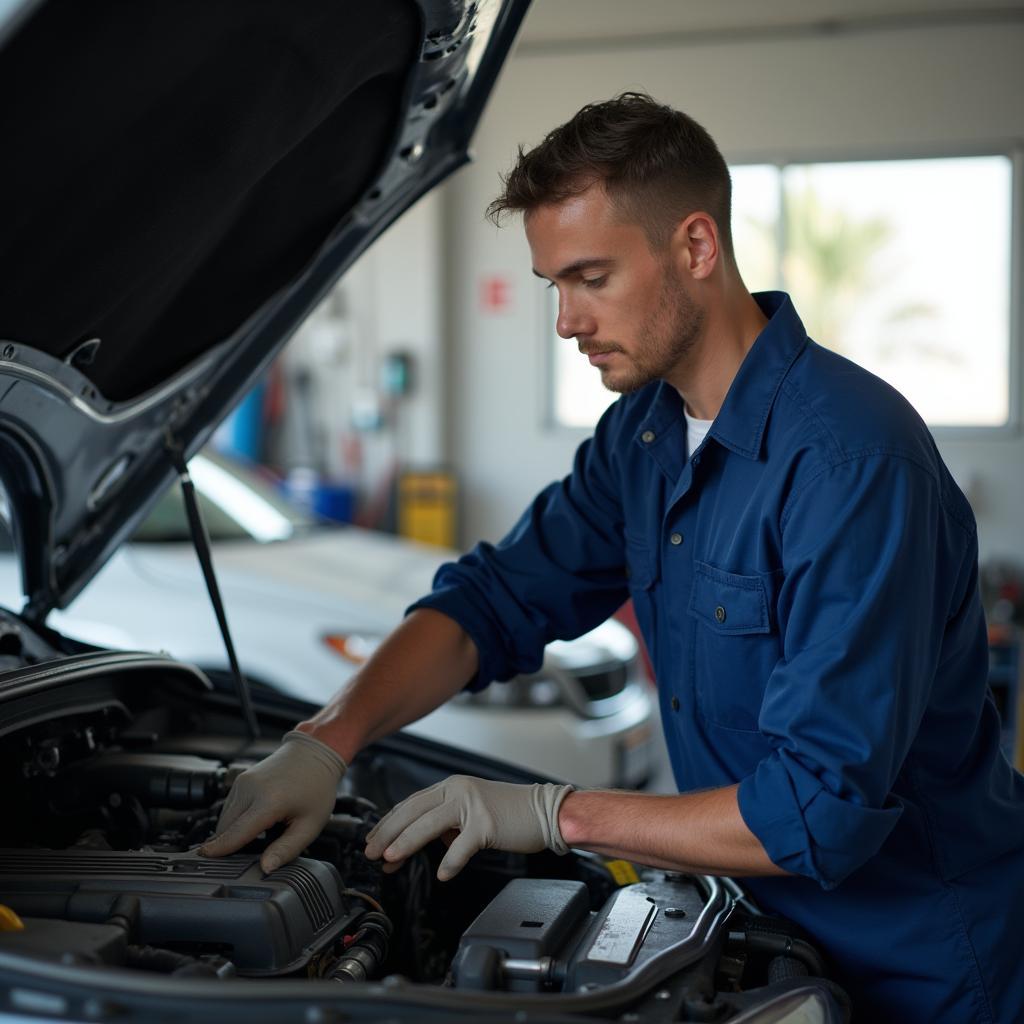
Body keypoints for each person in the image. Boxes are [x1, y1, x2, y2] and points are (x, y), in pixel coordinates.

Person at [201, 93, 1024, 1021]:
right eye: (554, 283)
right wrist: (325, 742)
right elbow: (493, 603)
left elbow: (815, 806)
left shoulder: (850, 464)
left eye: (590, 277)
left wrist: (554, 813)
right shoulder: (642, 437)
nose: (565, 321)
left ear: (697, 247)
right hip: (766, 939)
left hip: (926, 967)